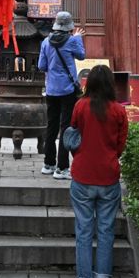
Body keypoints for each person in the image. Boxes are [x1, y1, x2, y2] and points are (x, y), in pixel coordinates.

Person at [68, 65, 128, 278]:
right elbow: (121, 144)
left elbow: (73, 132)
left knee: (83, 232)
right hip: (108, 177)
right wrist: (110, 158)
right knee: (105, 232)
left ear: (89, 83)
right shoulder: (118, 110)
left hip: (82, 176)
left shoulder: (80, 106)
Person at [38, 11, 86, 180]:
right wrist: (78, 38)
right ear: (69, 27)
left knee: (51, 127)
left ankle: (48, 164)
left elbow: (41, 66)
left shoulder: (45, 42)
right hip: (67, 90)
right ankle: (62, 168)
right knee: (66, 128)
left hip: (51, 89)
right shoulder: (72, 40)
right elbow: (81, 56)